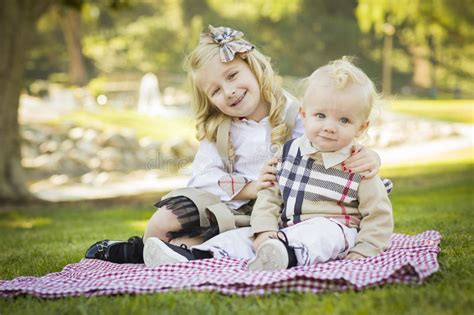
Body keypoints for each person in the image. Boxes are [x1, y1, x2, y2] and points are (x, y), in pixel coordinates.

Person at [85, 26, 383, 264]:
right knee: (163, 221)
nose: (229, 92)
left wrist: (368, 156)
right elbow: (203, 178)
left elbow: (332, 141)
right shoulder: (220, 128)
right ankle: (150, 248)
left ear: (253, 67)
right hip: (231, 200)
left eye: (233, 75)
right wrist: (250, 187)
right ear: (208, 99)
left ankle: (136, 254)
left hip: (275, 207)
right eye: (215, 90)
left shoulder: (294, 113)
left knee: (196, 245)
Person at [142, 57, 394, 270]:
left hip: (336, 227)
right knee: (240, 239)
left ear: (362, 127)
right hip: (281, 226)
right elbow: (269, 196)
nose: (329, 126)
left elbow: (378, 216)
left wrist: (363, 253)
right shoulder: (290, 153)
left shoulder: (359, 166)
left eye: (344, 120)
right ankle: (195, 257)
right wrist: (263, 231)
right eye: (320, 116)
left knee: (320, 232)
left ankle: (282, 256)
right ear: (304, 115)